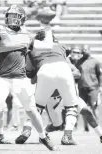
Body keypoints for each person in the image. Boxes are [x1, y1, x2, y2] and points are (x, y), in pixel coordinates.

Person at [0, 5, 57, 151]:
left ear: (22, 19)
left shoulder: (26, 36)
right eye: (10, 15)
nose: (13, 19)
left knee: (32, 111)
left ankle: (43, 137)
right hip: (2, 78)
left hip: (21, 79)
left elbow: (48, 46)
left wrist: (47, 27)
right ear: (6, 17)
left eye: (16, 16)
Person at [24, 9, 79, 145]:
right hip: (63, 69)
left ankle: (26, 130)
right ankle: (67, 136)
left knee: (37, 107)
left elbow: (29, 73)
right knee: (71, 106)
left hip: (44, 71)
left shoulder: (33, 50)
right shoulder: (60, 46)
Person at [76, 45, 102, 132]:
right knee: (83, 108)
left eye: (86, 49)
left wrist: (100, 86)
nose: (84, 51)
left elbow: (99, 74)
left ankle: (98, 127)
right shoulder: (79, 62)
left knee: (94, 107)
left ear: (90, 50)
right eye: (83, 49)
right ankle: (86, 127)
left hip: (92, 88)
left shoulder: (95, 61)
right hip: (81, 88)